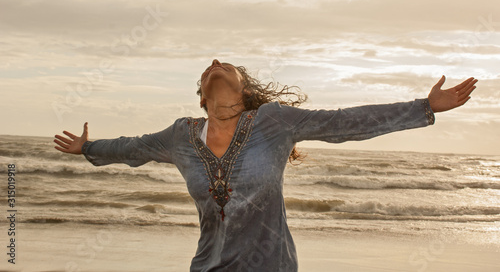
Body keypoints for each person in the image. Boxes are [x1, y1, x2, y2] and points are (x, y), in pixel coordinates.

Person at [54, 59, 477, 271]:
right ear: (202, 95)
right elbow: (134, 148)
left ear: (244, 87)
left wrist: (423, 107)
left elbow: (345, 122)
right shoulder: (180, 136)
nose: (216, 62)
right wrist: (88, 148)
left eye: (227, 64)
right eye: (208, 68)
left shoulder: (273, 122)